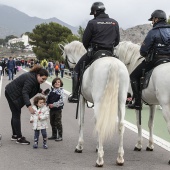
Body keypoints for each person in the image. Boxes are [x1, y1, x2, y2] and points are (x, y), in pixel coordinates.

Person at [68, 2, 120, 103]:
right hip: (109, 52)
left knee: (76, 70)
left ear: (95, 12)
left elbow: (85, 40)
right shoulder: (114, 22)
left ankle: (75, 95)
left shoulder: (92, 22)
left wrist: (89, 49)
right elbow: (117, 41)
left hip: (95, 52)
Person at [128, 10, 170, 110]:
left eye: (153, 20)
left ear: (156, 19)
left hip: (155, 60)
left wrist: (146, 53)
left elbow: (143, 51)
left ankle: (137, 103)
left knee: (133, 76)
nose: (152, 22)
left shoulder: (153, 32)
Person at [5, 65, 49, 145]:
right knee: (16, 114)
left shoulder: (34, 78)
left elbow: (34, 87)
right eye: (43, 79)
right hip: (12, 94)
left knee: (15, 114)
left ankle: (15, 135)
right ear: (38, 75)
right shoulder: (31, 79)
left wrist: (41, 91)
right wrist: (29, 106)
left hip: (12, 93)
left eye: (45, 80)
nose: (43, 81)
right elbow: (25, 92)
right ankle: (19, 138)